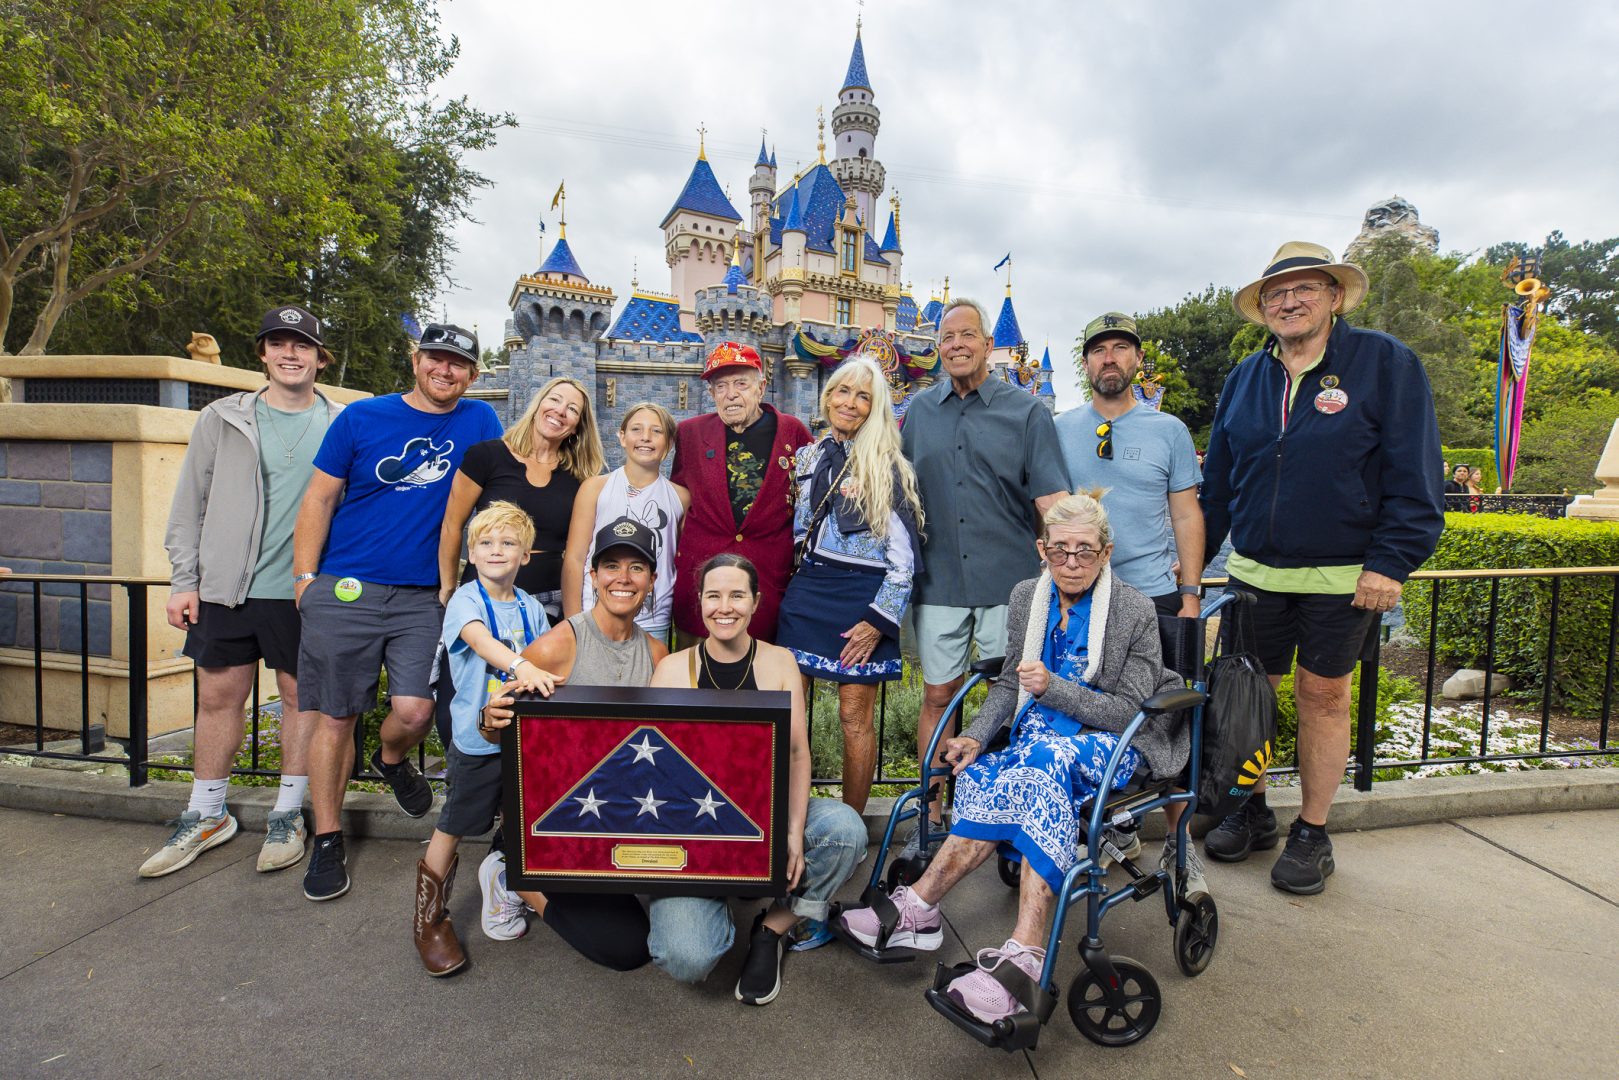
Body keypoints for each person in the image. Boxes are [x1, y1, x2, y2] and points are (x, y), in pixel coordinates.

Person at [836, 493, 1185, 1025]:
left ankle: (1023, 954)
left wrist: (1053, 689)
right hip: (1040, 738)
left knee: (1039, 765)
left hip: (1114, 742)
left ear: (1106, 553)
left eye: (1085, 550)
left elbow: (1126, 712)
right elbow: (1009, 684)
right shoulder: (1028, 596)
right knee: (984, 768)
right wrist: (976, 736)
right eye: (1059, 549)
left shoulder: (1132, 610)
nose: (1071, 562)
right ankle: (921, 910)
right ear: (1042, 549)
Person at [1201, 241, 1443, 895]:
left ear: (1334, 296)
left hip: (1343, 578)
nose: (1289, 301)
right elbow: (1218, 484)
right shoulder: (1246, 378)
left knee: (1324, 698)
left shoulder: (1385, 364)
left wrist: (1390, 562)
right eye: (1276, 293)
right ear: (1263, 308)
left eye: (1304, 288)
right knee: (1248, 697)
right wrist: (1192, 565)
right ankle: (1250, 810)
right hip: (1254, 575)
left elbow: (1415, 475)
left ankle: (1312, 830)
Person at [292, 322, 502, 902]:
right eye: (435, 357)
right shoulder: (362, 417)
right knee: (336, 717)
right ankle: (328, 838)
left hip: (424, 596)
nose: (445, 369)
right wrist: (305, 581)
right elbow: (319, 497)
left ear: (473, 375)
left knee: (414, 711)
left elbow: (501, 490)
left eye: (458, 363)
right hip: (347, 587)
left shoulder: (480, 421)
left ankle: (389, 758)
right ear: (415, 361)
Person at [144, 305, 344, 878]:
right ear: (262, 353)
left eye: (302, 345)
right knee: (217, 698)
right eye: (278, 343)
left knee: (301, 700)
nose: (290, 353)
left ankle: (288, 814)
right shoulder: (221, 418)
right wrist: (184, 580)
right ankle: (207, 813)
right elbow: (189, 504)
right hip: (226, 587)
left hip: (302, 590)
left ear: (319, 358)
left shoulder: (343, 422)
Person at [649, 554, 868, 1005]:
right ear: (699, 601)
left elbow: (797, 754)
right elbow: (655, 769)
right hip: (695, 832)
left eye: (737, 595)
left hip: (766, 814)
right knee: (688, 959)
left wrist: (792, 833)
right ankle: (719, 899)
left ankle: (772, 928)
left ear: (755, 602)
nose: (724, 607)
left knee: (845, 829)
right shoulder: (671, 669)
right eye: (713, 595)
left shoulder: (780, 662)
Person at [901, 298, 1069, 838]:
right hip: (938, 581)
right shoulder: (920, 412)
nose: (956, 345)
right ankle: (931, 812)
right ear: (938, 348)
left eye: (967, 335)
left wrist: (1074, 564)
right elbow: (899, 493)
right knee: (937, 696)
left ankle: (1000, 812)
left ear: (988, 344)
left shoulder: (1027, 412)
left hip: (1009, 582)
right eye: (947, 338)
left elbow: (1052, 501)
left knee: (1011, 697)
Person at [475, 517, 673, 973]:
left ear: (651, 580)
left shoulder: (657, 655)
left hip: (615, 817)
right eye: (611, 566)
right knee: (627, 951)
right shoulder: (559, 645)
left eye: (636, 568)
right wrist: (488, 718)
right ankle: (513, 875)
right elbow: (499, 724)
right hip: (555, 822)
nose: (623, 578)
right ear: (593, 576)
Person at [776, 356, 924, 814]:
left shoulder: (890, 466)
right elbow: (798, 528)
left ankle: (852, 826)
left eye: (863, 396)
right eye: (843, 391)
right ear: (828, 396)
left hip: (863, 599)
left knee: (853, 717)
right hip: (808, 593)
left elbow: (904, 561)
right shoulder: (808, 456)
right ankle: (784, 820)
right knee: (788, 715)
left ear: (875, 407)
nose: (850, 402)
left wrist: (878, 622)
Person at [413, 502, 554, 976]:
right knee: (454, 823)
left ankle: (509, 887)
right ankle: (429, 920)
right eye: (486, 542)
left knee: (522, 818)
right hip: (478, 742)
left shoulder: (531, 607)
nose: (497, 550)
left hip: (523, 741)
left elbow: (549, 656)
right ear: (470, 553)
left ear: (525, 555)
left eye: (508, 543)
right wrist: (522, 665)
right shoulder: (465, 601)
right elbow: (479, 640)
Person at [1058, 312, 1204, 619]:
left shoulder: (1171, 431)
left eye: (1121, 348)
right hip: (1074, 593)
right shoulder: (1057, 429)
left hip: (1150, 593)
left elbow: (1186, 515)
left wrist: (1190, 594)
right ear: (1085, 363)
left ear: (1139, 358)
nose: (1109, 358)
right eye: (1099, 350)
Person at [669, 341, 812, 643]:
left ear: (761, 387)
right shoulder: (690, 434)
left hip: (766, 582)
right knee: (693, 666)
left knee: (761, 666)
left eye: (741, 383)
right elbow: (677, 501)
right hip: (702, 582)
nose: (730, 394)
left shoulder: (793, 432)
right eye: (720, 387)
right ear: (712, 394)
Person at [438, 376, 604, 620]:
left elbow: (579, 555)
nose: (560, 411)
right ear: (537, 406)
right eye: (554, 400)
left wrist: (574, 619)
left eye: (572, 409)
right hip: (484, 597)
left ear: (577, 426)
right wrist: (448, 587)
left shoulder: (581, 478)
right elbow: (452, 525)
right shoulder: (485, 456)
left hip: (550, 603)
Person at [561, 401, 689, 640]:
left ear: (670, 443)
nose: (646, 437)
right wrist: (572, 621)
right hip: (595, 614)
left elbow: (679, 560)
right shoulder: (595, 488)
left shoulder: (681, 497)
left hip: (653, 619)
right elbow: (575, 558)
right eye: (636, 429)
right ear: (622, 437)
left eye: (657, 431)